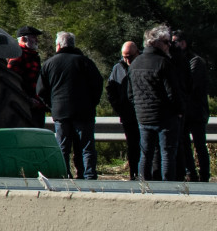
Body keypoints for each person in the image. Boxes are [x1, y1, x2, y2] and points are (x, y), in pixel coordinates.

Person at [37, 31, 103, 179]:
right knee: (86, 146)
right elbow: (98, 84)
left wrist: (52, 106)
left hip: (61, 111)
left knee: (63, 147)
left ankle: (64, 174)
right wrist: (92, 103)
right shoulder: (85, 62)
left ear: (58, 45)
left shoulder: (49, 64)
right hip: (84, 111)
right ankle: (89, 175)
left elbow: (41, 90)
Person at [127, 24, 184, 181]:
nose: (169, 46)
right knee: (167, 154)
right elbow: (173, 93)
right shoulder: (163, 63)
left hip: (143, 116)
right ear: (158, 43)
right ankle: (168, 186)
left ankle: (144, 186)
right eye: (167, 42)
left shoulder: (135, 64)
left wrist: (140, 107)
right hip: (165, 117)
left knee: (145, 154)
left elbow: (130, 94)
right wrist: (179, 111)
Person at [173, 31, 209, 182]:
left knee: (200, 145)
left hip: (196, 112)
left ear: (183, 43)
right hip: (184, 112)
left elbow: (189, 85)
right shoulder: (177, 60)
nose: (173, 45)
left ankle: (204, 176)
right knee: (184, 145)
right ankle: (191, 174)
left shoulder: (196, 61)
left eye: (175, 42)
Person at [106, 41, 141, 180]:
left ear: (137, 52)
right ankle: (134, 174)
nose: (127, 60)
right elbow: (110, 89)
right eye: (125, 57)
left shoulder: (142, 64)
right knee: (132, 146)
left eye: (130, 57)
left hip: (144, 114)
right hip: (127, 114)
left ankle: (147, 174)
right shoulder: (118, 68)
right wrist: (119, 108)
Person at [8, 25, 48, 118]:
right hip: (26, 105)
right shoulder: (17, 56)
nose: (36, 40)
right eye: (33, 37)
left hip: (37, 104)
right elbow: (12, 81)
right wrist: (26, 99)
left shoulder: (32, 55)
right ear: (23, 39)